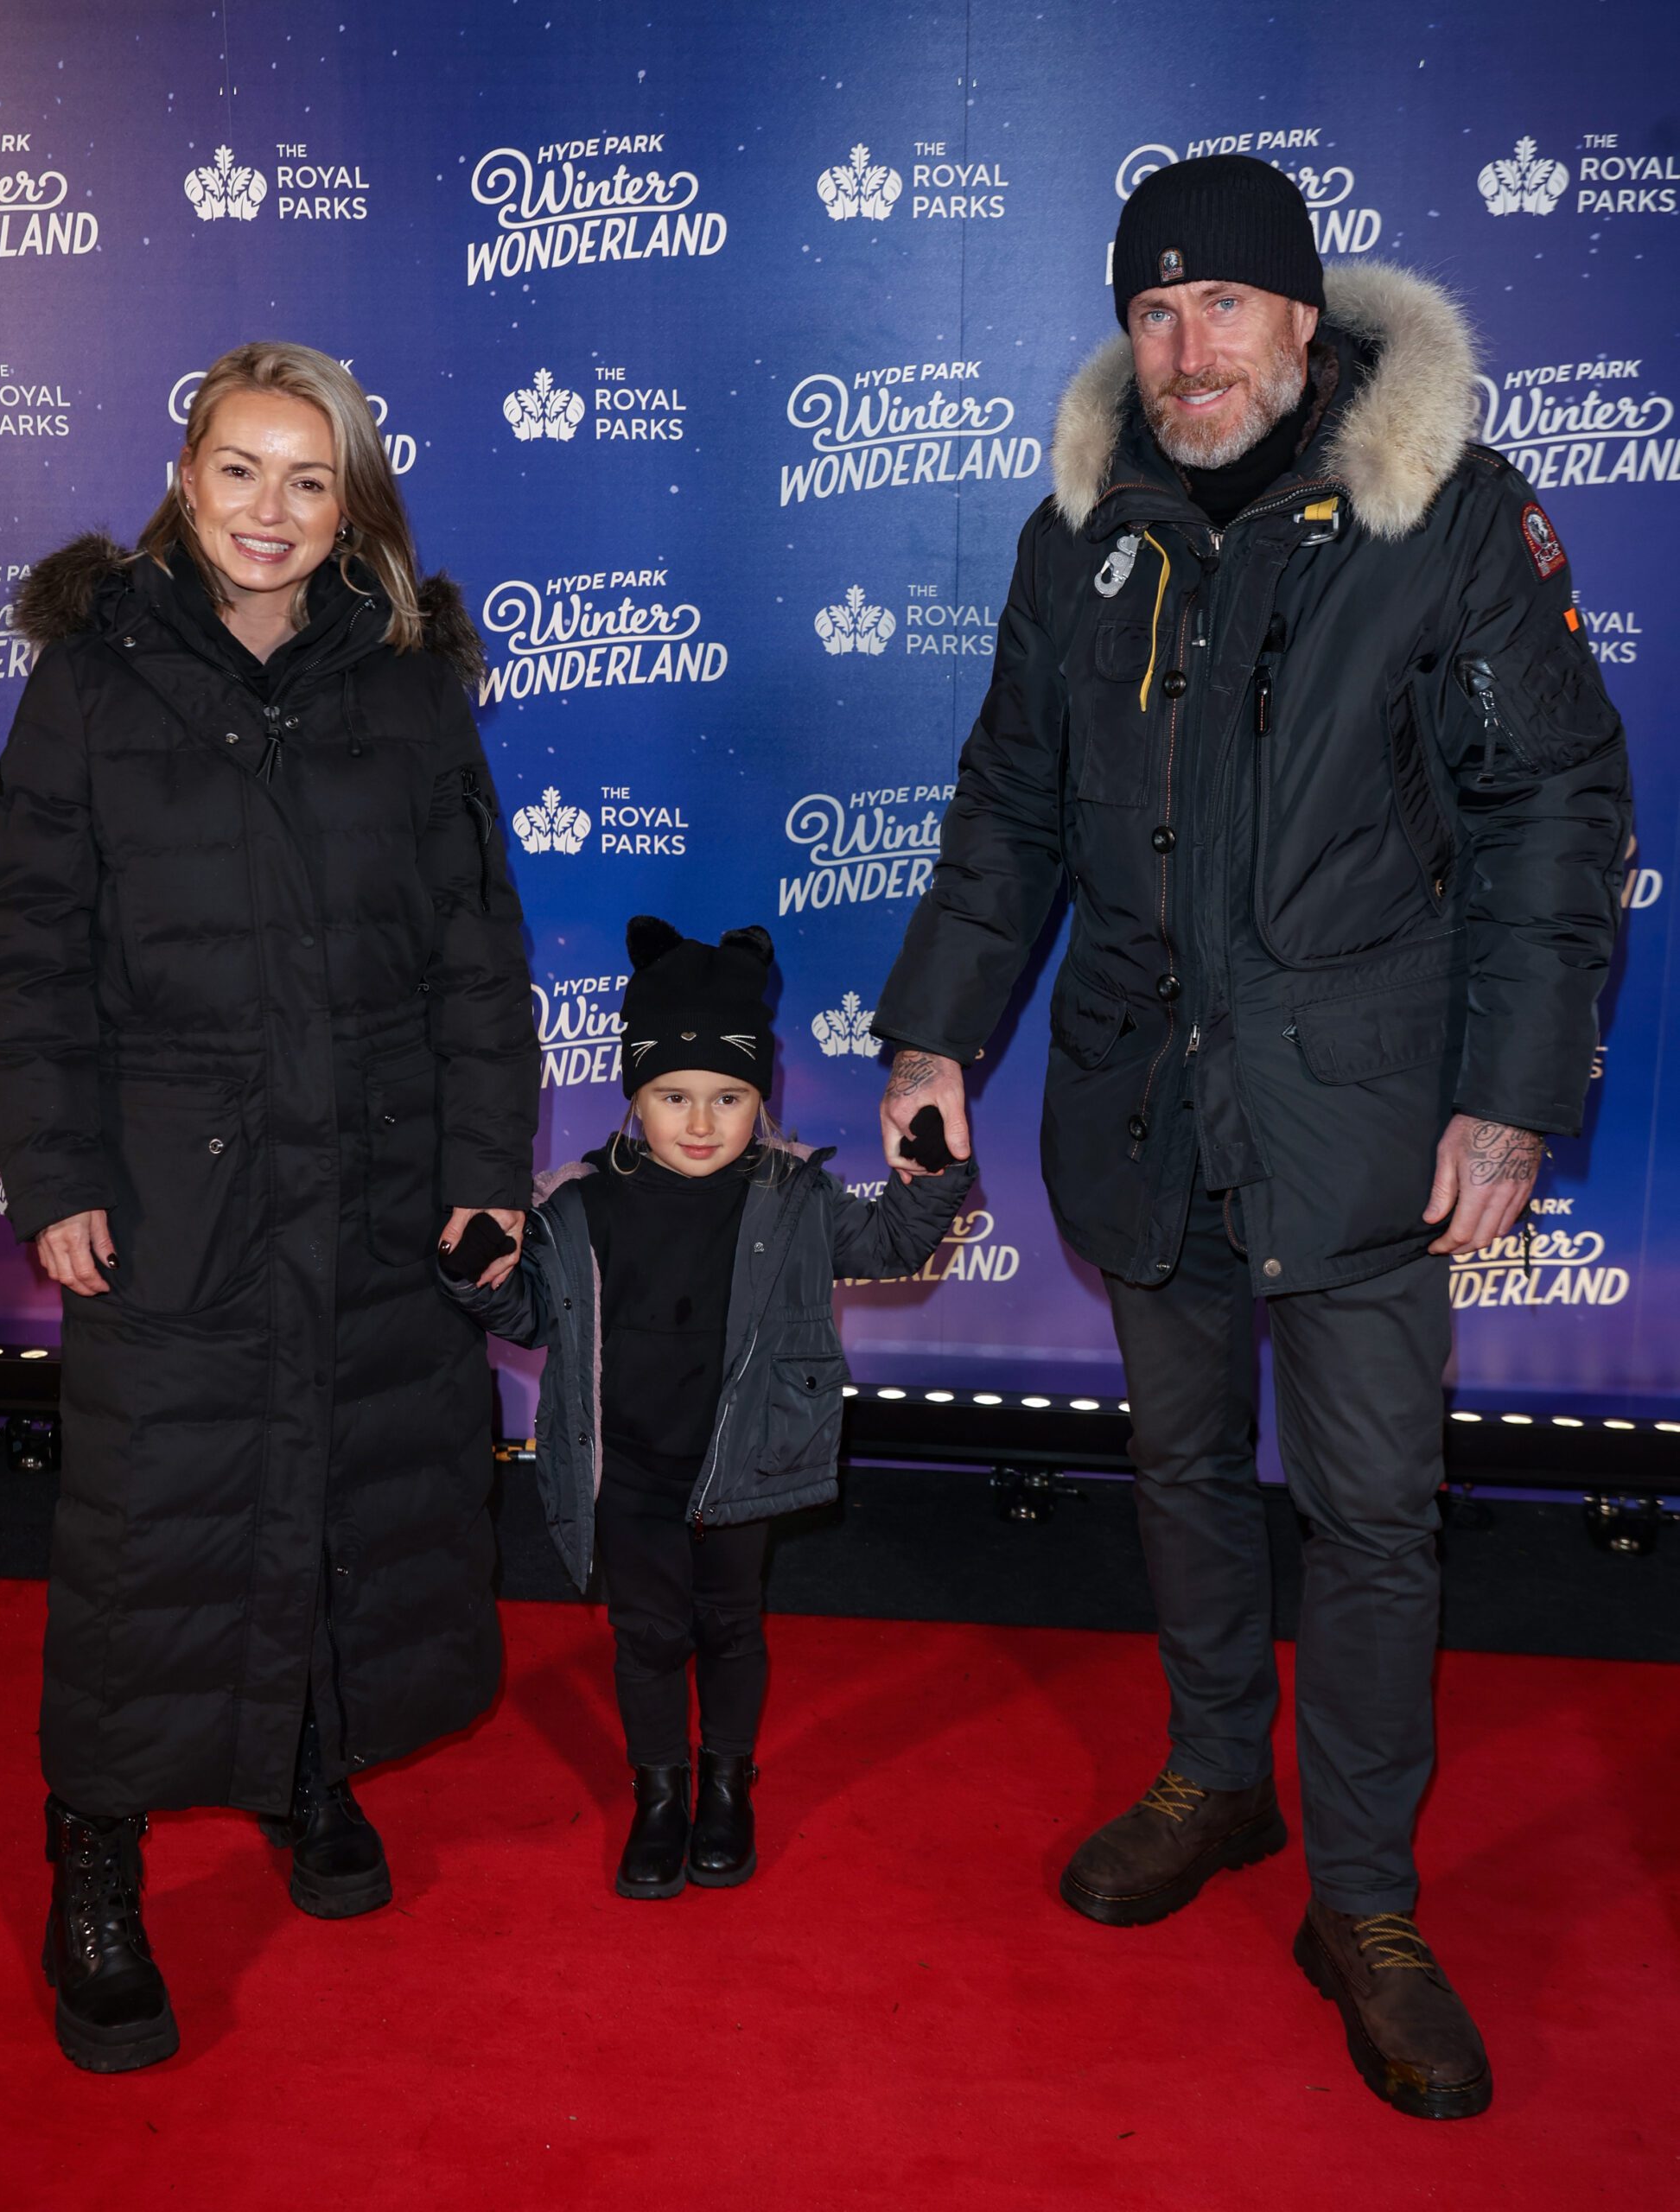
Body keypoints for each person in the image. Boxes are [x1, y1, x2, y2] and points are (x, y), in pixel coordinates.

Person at [872, 156, 1632, 2119]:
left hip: (1366, 1112)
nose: (1182, 348)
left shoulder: (1435, 512)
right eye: (1149, 310)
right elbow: (1006, 805)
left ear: (1300, 320)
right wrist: (935, 1026)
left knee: (1372, 1512)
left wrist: (1508, 1092)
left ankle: (1365, 1902)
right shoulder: (1081, 535)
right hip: (1141, 1095)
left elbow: (1549, 807)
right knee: (1180, 1462)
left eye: (1221, 306)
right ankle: (1216, 1770)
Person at [0, 342, 538, 2072]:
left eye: (310, 479)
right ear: (186, 474)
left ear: (353, 499)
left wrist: (480, 1165)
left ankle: (308, 1759)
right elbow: (30, 944)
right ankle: (98, 1862)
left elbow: (473, 949)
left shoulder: (413, 684)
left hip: (370, 1173)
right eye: (240, 470)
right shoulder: (91, 673)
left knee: (347, 1484)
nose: (271, 512)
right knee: (150, 1537)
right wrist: (57, 1171)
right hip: (172, 1195)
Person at [447, 916, 974, 1898]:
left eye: (728, 1096)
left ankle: (728, 1784)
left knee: (732, 1624)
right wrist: (480, 1276)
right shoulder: (573, 1203)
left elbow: (894, 1244)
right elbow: (529, 1313)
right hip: (629, 1468)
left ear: (758, 1097)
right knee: (647, 1634)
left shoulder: (794, 1196)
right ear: (634, 1095)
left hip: (743, 1463)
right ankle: (659, 1794)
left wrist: (934, 1175)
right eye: (674, 1096)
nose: (701, 1121)